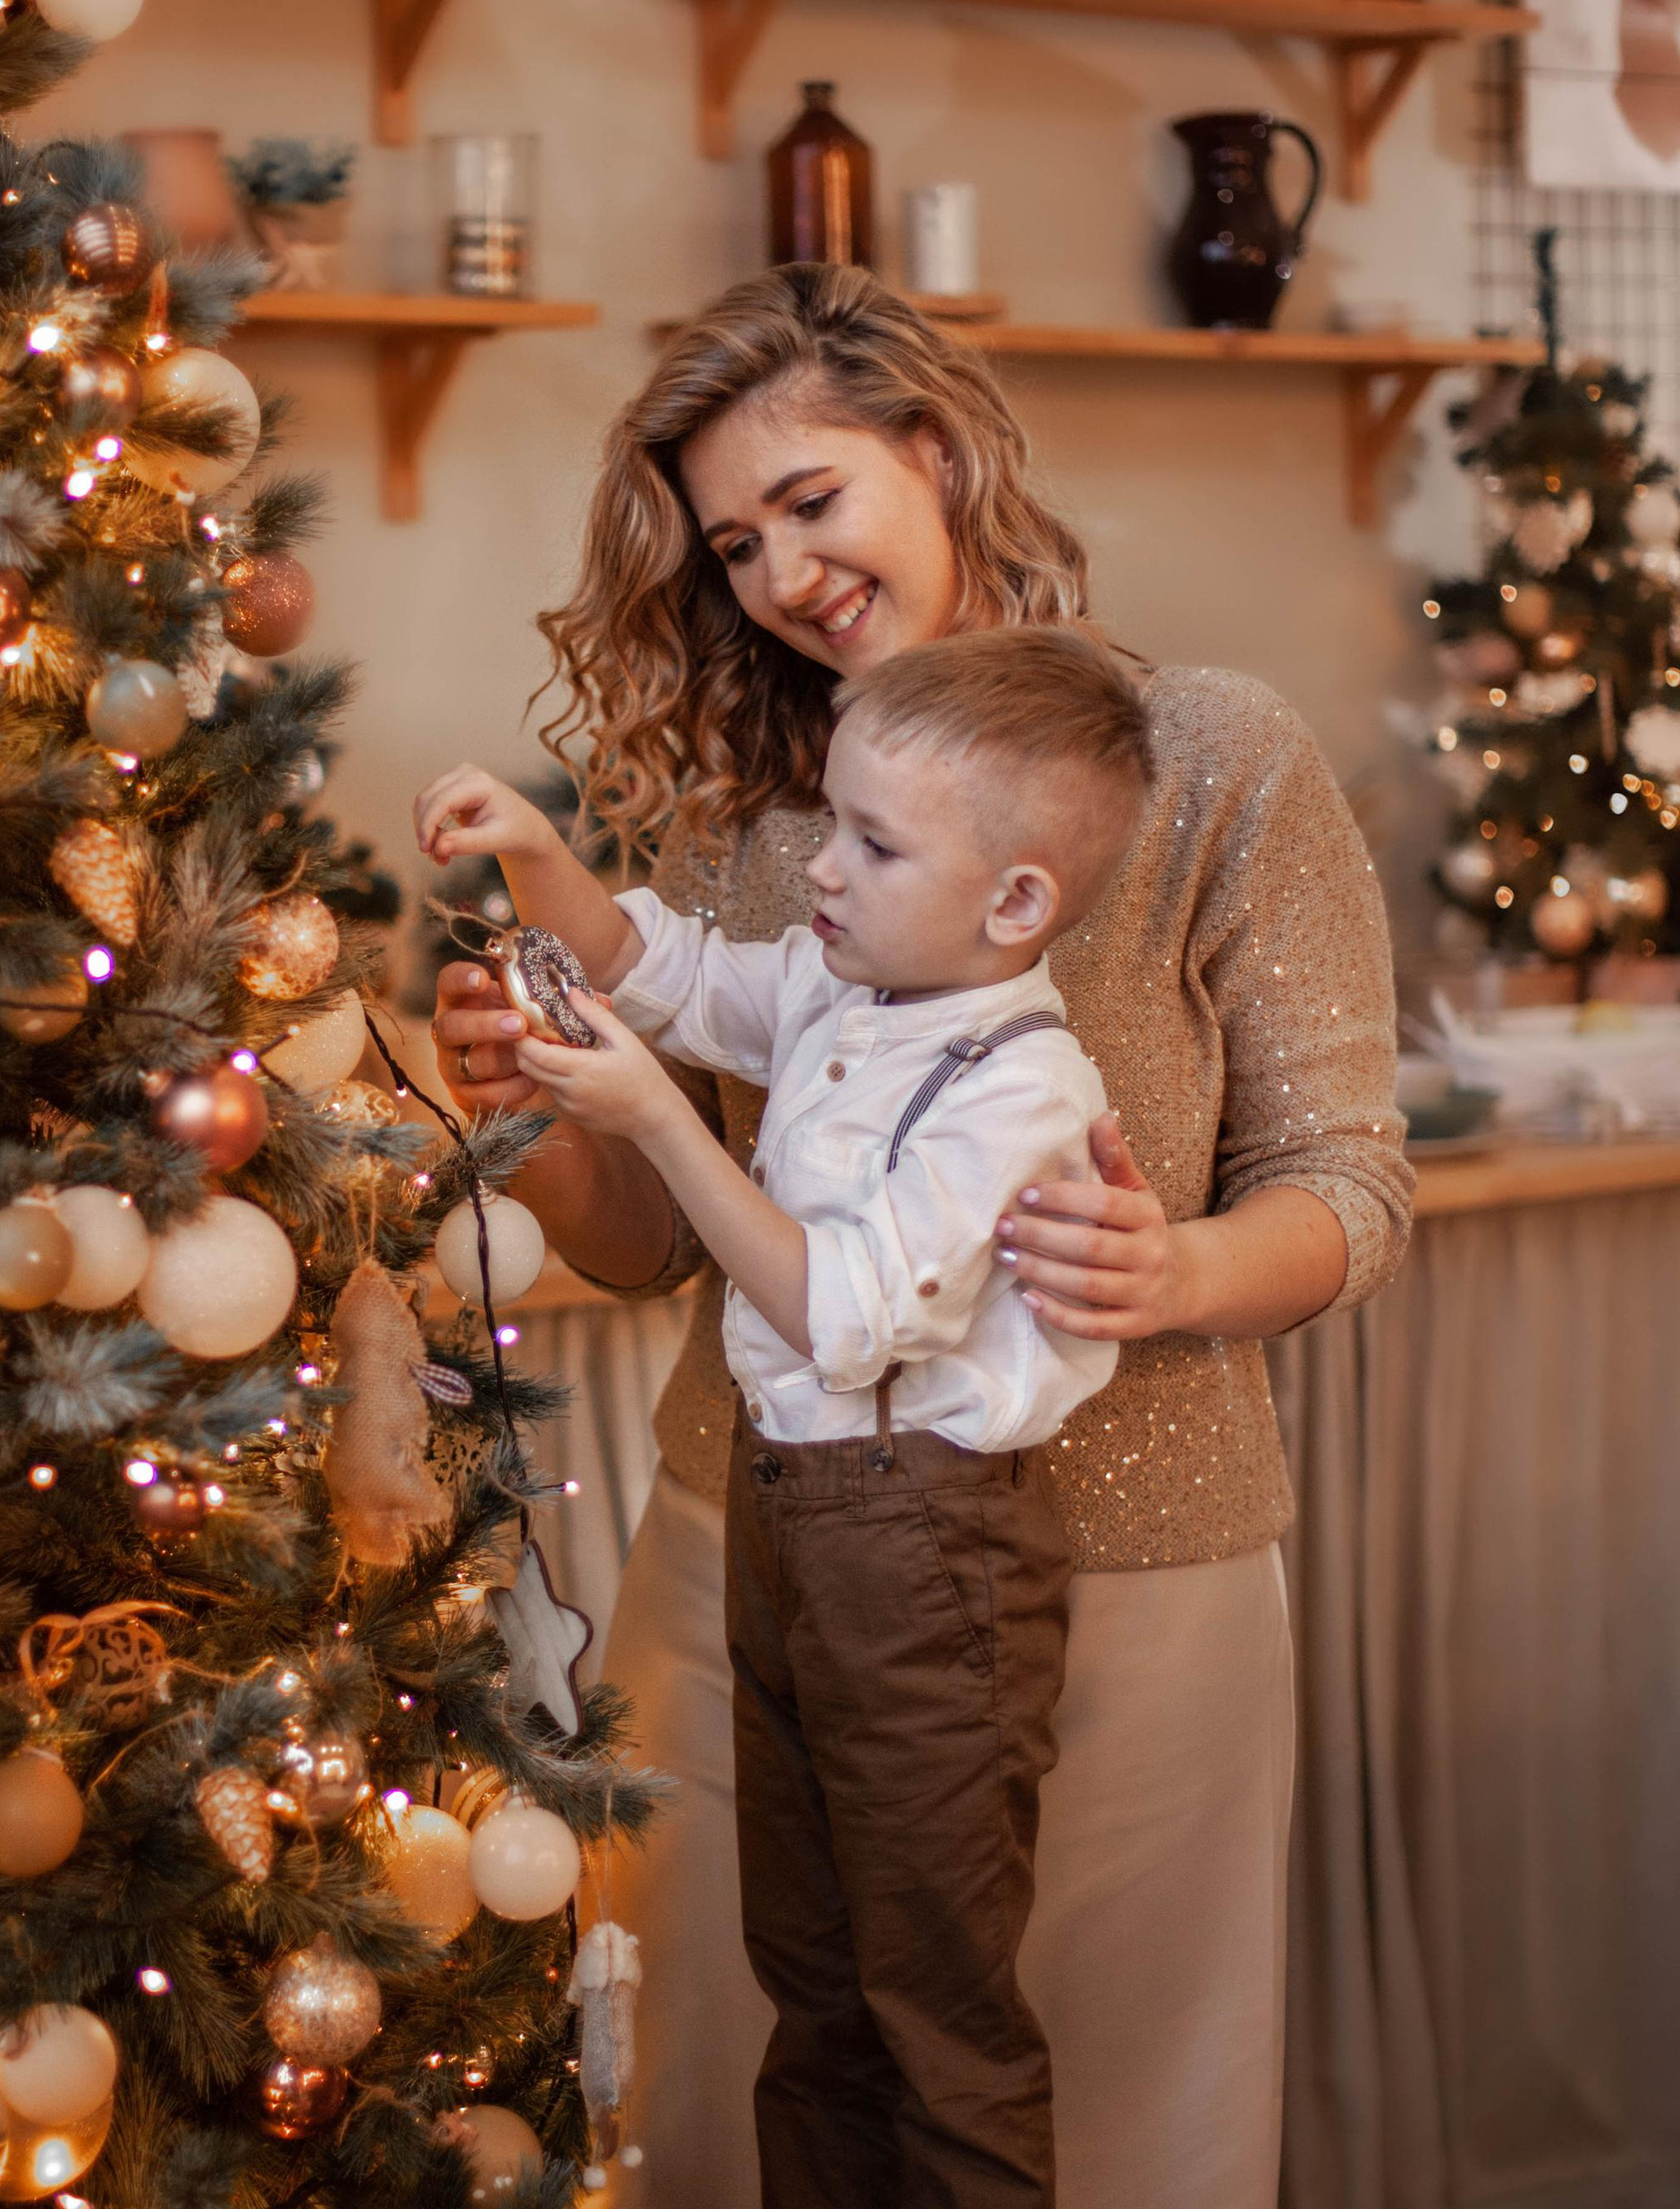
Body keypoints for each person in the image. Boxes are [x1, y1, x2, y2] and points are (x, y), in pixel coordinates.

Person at [429, 263, 1414, 2209]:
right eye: (734, 546)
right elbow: (663, 1241)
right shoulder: (754, 813)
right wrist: (534, 1119)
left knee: (1083, 2116)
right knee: (755, 2089)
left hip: (1136, 1569)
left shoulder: (1207, 757)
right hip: (749, 1542)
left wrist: (1178, 1270)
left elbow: (1349, 1183)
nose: (785, 575)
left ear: (939, 452)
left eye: (812, 501)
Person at [417, 625, 1152, 2205]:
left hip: (924, 1549)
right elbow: (664, 972)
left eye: (875, 844)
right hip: (790, 1514)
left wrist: (658, 1124)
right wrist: (536, 853)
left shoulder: (1018, 1086)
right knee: (811, 1986)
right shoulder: (846, 983)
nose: (822, 868)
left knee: (936, 2017)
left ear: (1015, 903)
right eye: (833, 822)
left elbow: (844, 1311)